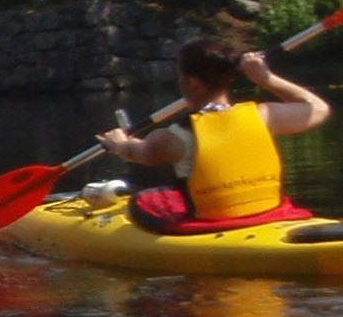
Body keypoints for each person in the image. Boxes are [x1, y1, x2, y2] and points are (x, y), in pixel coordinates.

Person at [95, 39, 330, 231]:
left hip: (214, 225)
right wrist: (266, 79)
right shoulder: (264, 116)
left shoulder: (172, 138)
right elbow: (318, 109)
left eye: (180, 76)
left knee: (141, 202)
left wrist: (118, 143)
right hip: (271, 214)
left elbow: (137, 152)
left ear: (192, 82)